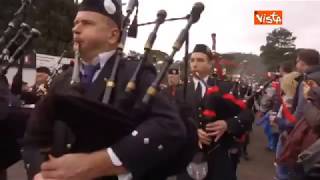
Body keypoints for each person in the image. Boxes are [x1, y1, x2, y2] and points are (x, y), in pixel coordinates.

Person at [26, 0, 193, 179]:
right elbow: (35, 136)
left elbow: (169, 126)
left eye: (87, 23)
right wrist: (39, 172)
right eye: (75, 23)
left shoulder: (136, 73)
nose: (76, 29)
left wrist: (98, 163)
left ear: (113, 36)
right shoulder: (61, 80)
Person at [175, 44, 253, 180]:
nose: (194, 64)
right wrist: (191, 131)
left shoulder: (225, 87)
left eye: (200, 60)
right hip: (188, 156)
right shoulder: (180, 91)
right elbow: (173, 120)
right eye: (192, 60)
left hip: (219, 155)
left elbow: (247, 115)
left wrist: (227, 124)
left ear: (210, 64)